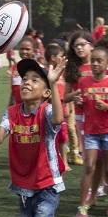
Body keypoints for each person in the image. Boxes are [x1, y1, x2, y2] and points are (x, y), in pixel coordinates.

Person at [0, 58, 76, 217]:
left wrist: (54, 84)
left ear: (46, 93)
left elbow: (58, 119)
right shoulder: (12, 113)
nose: (26, 82)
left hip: (47, 184)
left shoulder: (46, 111)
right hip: (23, 186)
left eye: (34, 80)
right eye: (24, 79)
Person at [76, 47, 108, 217]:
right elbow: (81, 106)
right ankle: (82, 207)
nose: (95, 64)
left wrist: (107, 107)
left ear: (107, 63)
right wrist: (79, 102)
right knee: (89, 166)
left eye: (99, 61)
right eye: (93, 60)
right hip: (91, 132)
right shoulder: (84, 82)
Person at [64, 30, 94, 166]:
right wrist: (75, 96)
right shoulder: (72, 68)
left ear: (91, 45)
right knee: (89, 155)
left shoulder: (101, 64)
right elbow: (65, 96)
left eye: (82, 44)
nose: (79, 48)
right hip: (81, 116)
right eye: (76, 46)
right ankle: (93, 186)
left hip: (102, 115)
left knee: (104, 155)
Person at [45, 43, 70, 171]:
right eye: (61, 56)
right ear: (53, 58)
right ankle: (52, 162)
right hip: (50, 114)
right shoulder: (46, 74)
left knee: (63, 138)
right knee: (51, 140)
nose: (63, 58)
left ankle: (64, 162)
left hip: (63, 112)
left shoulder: (63, 73)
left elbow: (66, 93)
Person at [10, 37, 36, 105]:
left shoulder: (38, 68)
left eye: (27, 49)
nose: (24, 51)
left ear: (33, 51)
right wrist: (10, 106)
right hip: (18, 110)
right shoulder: (14, 67)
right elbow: (14, 90)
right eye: (22, 49)